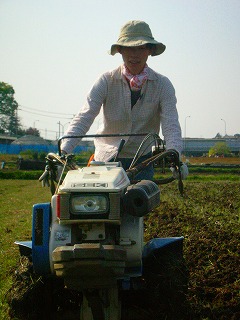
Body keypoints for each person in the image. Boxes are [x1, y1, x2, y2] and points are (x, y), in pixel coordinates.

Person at [61, 20, 188, 180]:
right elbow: (85, 116)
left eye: (141, 48)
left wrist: (175, 157)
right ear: (120, 50)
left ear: (149, 50)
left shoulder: (162, 85)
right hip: (105, 160)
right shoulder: (106, 80)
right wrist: (63, 152)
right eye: (129, 48)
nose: (134, 55)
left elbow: (171, 125)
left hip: (142, 161)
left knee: (140, 200)